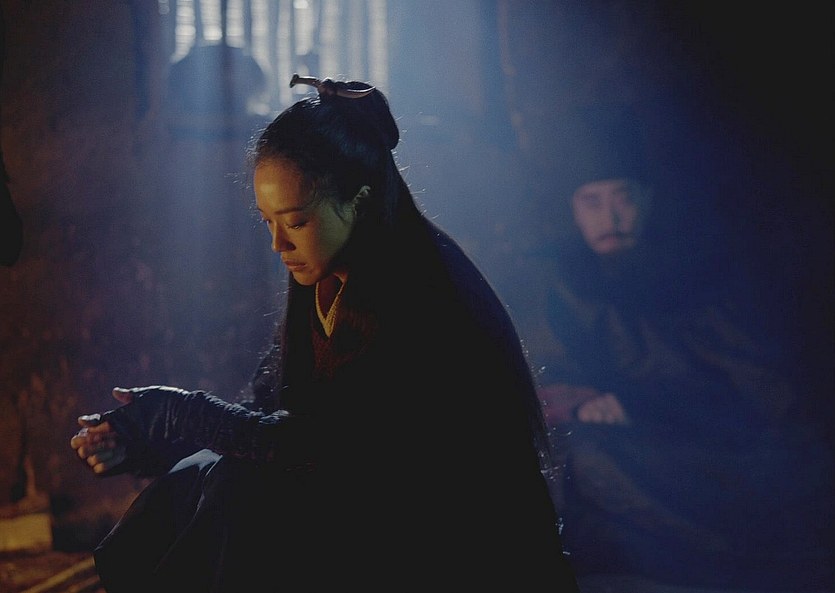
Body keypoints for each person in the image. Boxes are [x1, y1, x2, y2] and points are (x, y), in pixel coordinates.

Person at [70, 75, 579, 592]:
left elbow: (315, 445)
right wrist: (142, 441)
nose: (278, 244)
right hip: (369, 510)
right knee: (209, 470)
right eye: (267, 221)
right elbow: (263, 411)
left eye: (295, 222)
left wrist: (180, 411)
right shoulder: (329, 280)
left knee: (240, 487)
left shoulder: (419, 294)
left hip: (454, 541)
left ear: (358, 200)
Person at [503, 105, 834, 589]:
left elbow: (762, 388)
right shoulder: (565, 287)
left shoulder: (700, 271)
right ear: (573, 209)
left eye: (622, 199)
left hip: (724, 447)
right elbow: (549, 366)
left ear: (646, 201)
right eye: (591, 202)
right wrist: (581, 398)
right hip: (626, 446)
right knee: (580, 466)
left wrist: (637, 402)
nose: (610, 217)